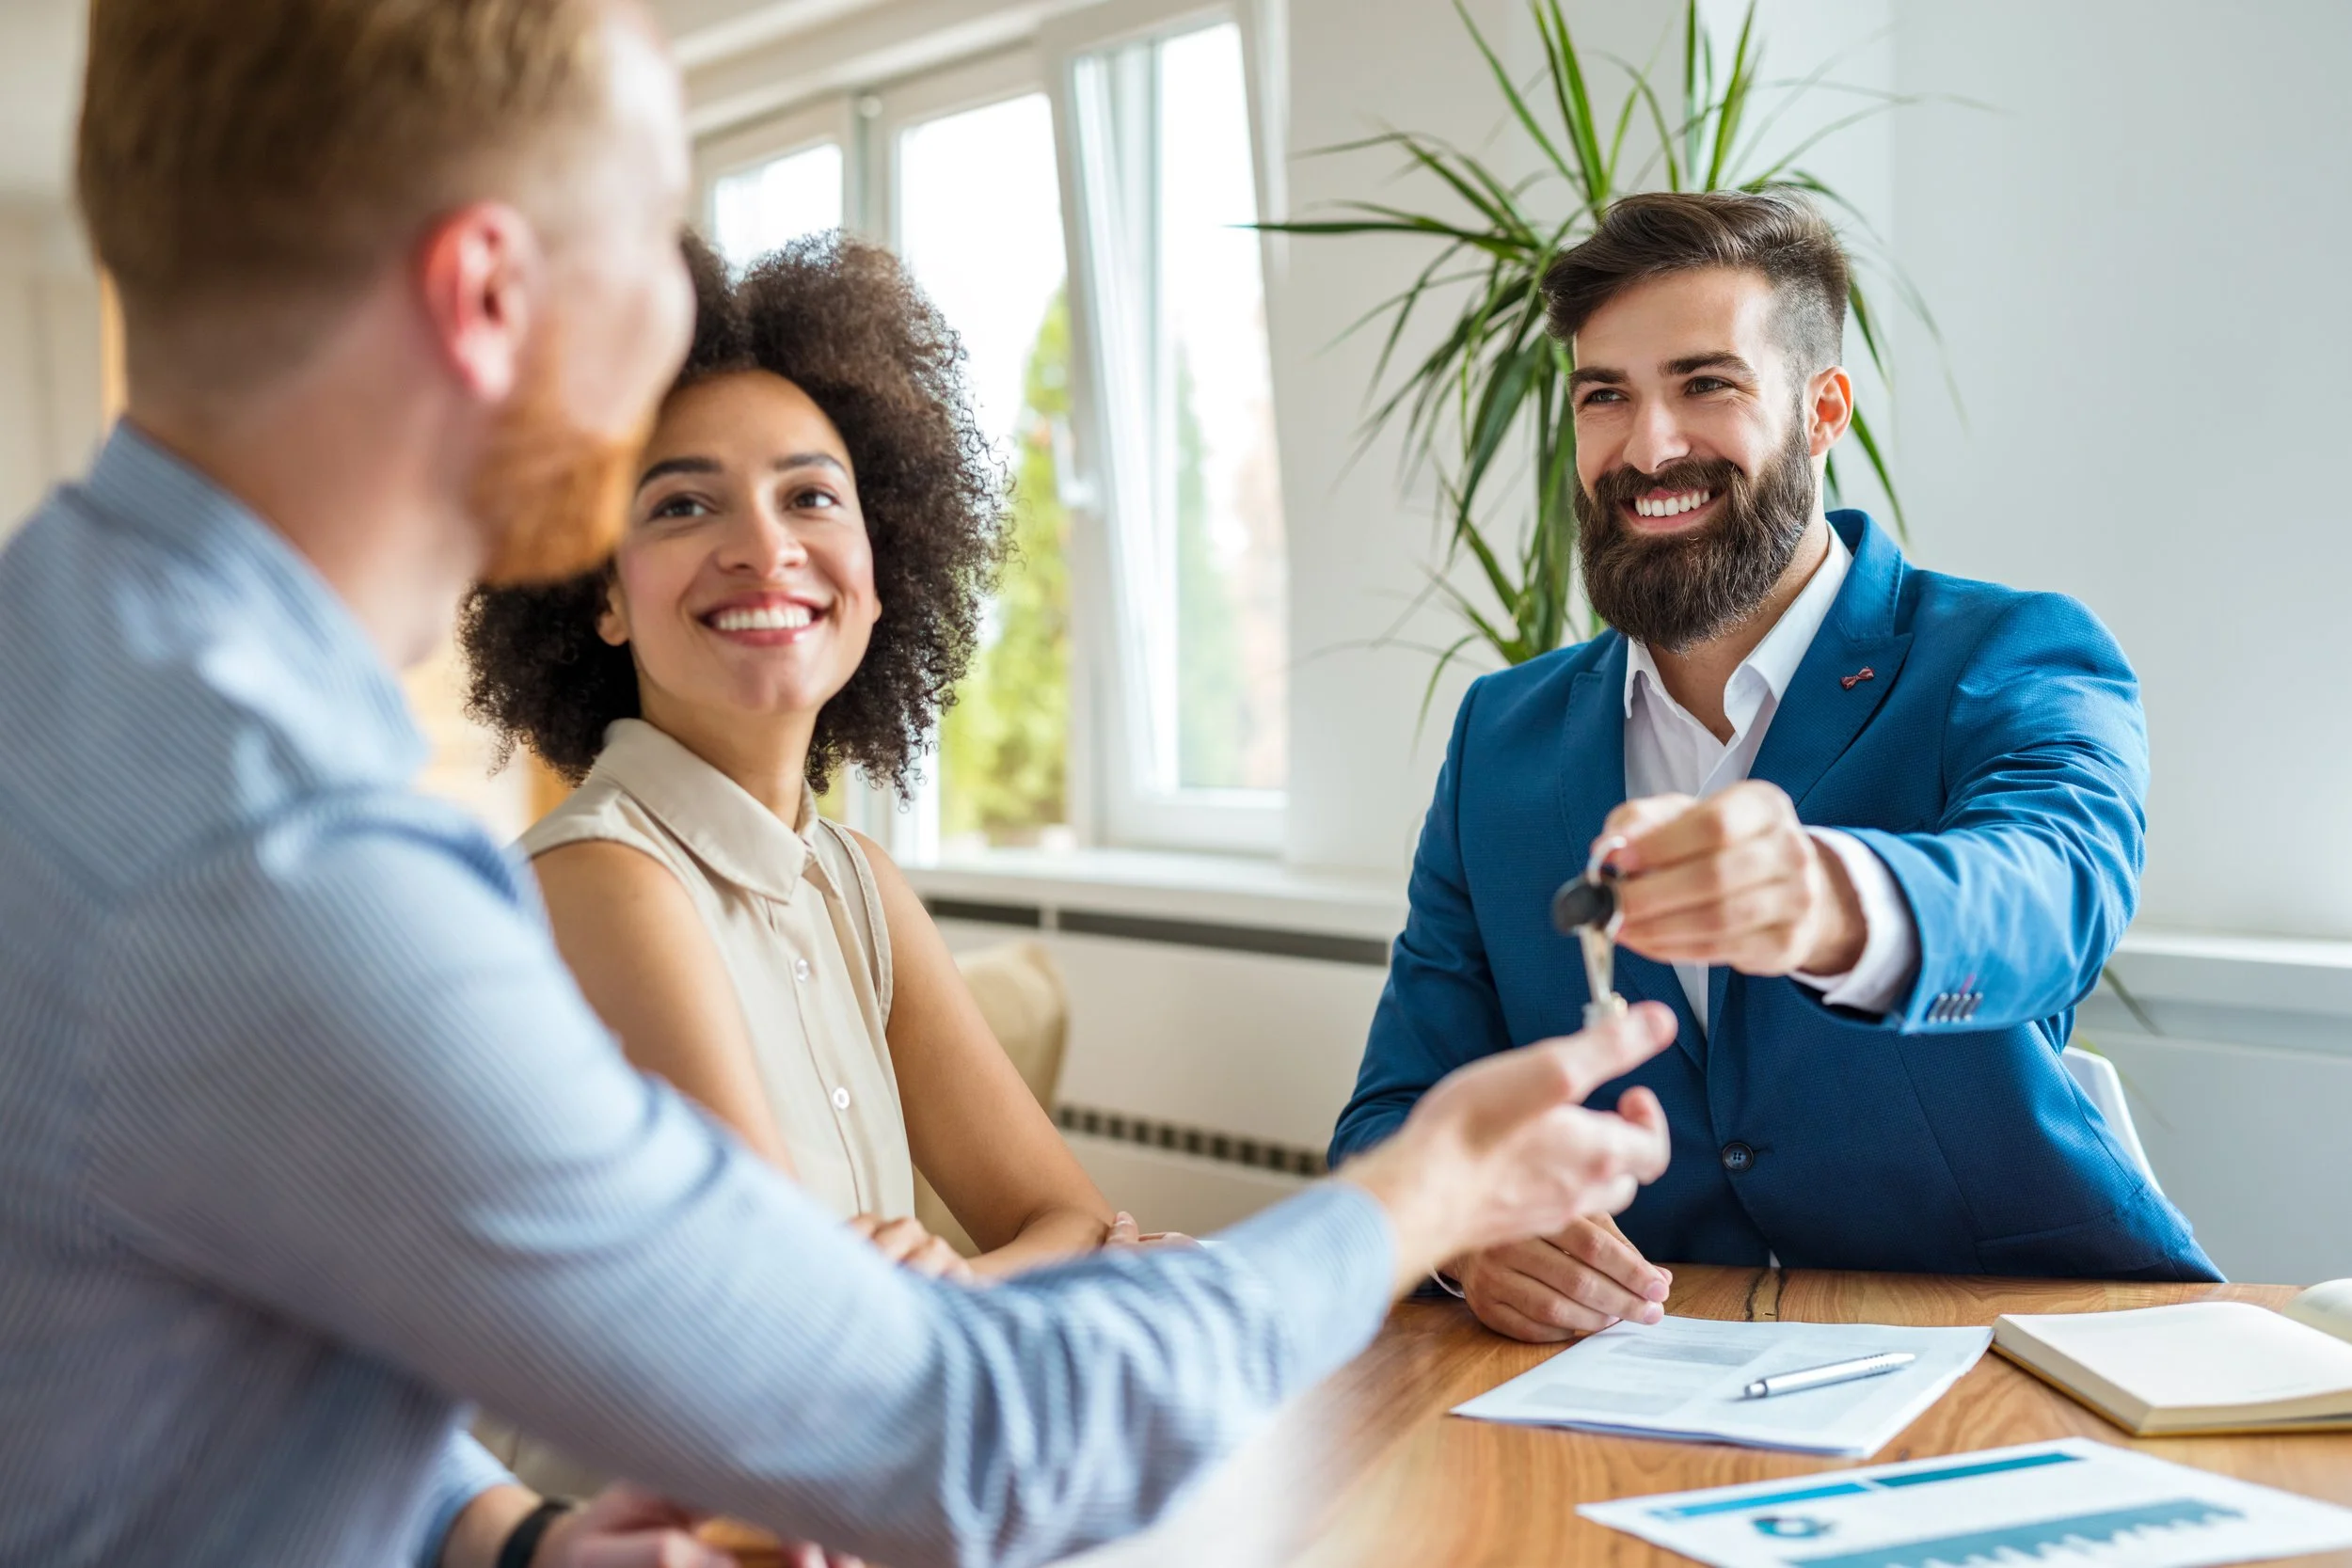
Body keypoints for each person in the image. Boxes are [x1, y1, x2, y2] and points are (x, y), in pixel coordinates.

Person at [0, 3, 1677, 1566]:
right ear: (488, 295)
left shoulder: (84, 695)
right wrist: (1416, 1194)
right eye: (652, 244)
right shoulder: (281, 859)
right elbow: (950, 1434)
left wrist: (509, 1538)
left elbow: (209, 1343)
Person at [1330, 189, 2217, 1347]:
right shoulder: (1500, 733)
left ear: (1822, 410)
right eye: (1607, 396)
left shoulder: (2009, 651)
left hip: (2017, 1345)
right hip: (1638, 1376)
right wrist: (1464, 1236)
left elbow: (2055, 893)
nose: (1648, 448)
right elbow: (1393, 1119)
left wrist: (1826, 898)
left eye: (1707, 384)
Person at [459, 231, 1112, 1289]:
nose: (765, 549)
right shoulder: (599, 881)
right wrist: (968, 1284)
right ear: (602, 592)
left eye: (809, 496)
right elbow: (794, 1313)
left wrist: (950, 1286)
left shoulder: (855, 883)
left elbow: (1072, 1215)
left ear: (879, 562)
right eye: (681, 504)